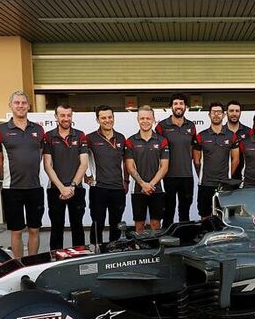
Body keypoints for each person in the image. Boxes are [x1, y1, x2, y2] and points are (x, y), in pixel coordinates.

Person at [0, 91, 45, 259]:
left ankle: (32, 262)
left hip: (34, 187)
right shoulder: (0, 131)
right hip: (12, 188)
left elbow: (39, 154)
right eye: (17, 103)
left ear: (29, 106)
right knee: (16, 231)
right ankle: (19, 264)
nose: (20, 106)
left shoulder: (38, 130)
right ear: (11, 106)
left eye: (23, 103)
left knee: (34, 229)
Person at [43, 103, 88, 250]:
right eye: (62, 115)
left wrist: (72, 186)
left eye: (69, 115)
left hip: (76, 189)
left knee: (78, 226)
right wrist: (62, 188)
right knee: (56, 227)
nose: (66, 118)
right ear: (56, 116)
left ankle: (80, 257)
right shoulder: (48, 136)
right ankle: (55, 258)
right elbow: (47, 165)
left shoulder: (80, 135)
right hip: (55, 189)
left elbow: (84, 164)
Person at [85, 105, 127, 244]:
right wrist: (85, 176)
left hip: (117, 188)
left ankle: (114, 251)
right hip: (98, 188)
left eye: (110, 117)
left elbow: (126, 162)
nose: (107, 120)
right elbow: (80, 159)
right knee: (98, 223)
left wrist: (126, 181)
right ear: (98, 120)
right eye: (103, 118)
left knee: (116, 224)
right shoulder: (90, 138)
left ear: (113, 118)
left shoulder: (121, 138)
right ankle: (96, 251)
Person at [156, 93, 197, 229]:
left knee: (184, 212)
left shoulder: (191, 126)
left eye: (181, 103)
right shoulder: (162, 126)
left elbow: (192, 149)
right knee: (168, 211)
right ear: (171, 107)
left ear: (186, 107)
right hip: (168, 176)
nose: (178, 106)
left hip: (187, 176)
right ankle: (165, 238)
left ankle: (185, 238)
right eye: (175, 104)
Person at [126, 105, 169, 233]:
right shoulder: (130, 141)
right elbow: (130, 167)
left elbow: (164, 167)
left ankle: (155, 246)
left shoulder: (162, 141)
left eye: (148, 118)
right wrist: (143, 184)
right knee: (139, 225)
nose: (145, 121)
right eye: (142, 118)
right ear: (138, 119)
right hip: (138, 189)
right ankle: (140, 246)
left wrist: (150, 185)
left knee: (156, 224)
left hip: (157, 188)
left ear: (153, 119)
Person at [192, 102, 240, 219]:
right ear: (209, 115)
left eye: (219, 112)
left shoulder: (232, 136)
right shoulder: (200, 136)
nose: (216, 115)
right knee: (205, 217)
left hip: (225, 185)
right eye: (214, 112)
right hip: (205, 184)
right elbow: (197, 161)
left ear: (224, 115)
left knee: (227, 217)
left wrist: (227, 176)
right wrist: (202, 176)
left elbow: (236, 159)